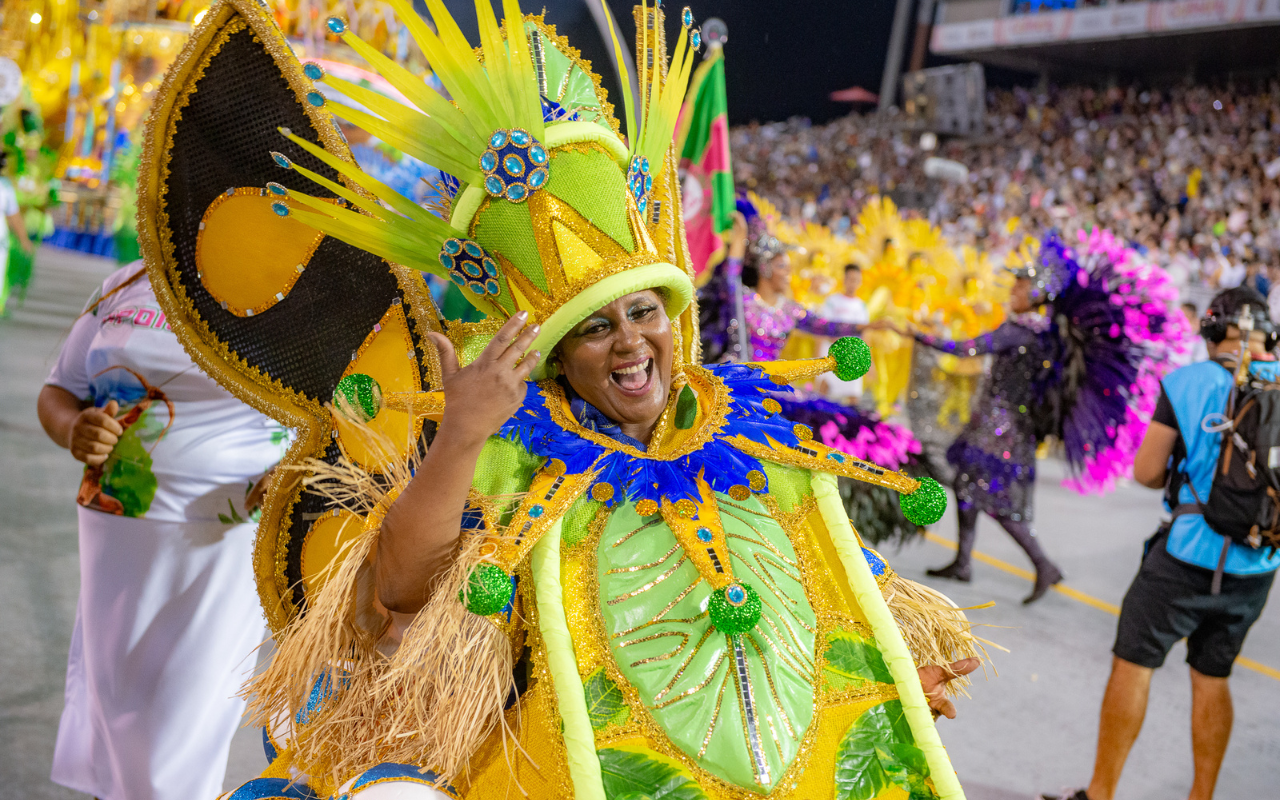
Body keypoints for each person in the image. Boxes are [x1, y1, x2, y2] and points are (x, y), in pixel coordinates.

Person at [180, 3, 987, 798]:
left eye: (643, 312)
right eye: (595, 327)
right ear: (558, 356)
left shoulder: (747, 442)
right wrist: (461, 432)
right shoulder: (508, 451)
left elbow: (822, 582)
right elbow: (395, 596)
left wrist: (895, 664)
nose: (632, 341)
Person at [37, 263, 288, 800]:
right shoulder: (125, 283)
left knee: (184, 718)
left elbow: (353, 405)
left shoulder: (291, 277)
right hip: (114, 527)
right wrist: (72, 428)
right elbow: (60, 388)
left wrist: (301, 469)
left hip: (224, 537)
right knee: (115, 705)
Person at [1044, 287, 1278, 800]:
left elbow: (1147, 471)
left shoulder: (1189, 382)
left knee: (1134, 663)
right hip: (1258, 563)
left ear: (1213, 331)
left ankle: (1101, 793)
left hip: (1187, 555)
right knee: (1213, 676)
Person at [905, 274, 1066, 603]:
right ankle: (963, 563)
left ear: (1035, 296)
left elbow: (967, 349)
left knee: (995, 500)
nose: (1012, 292)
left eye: (1020, 288)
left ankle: (1043, 564)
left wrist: (920, 336)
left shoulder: (1016, 331)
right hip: (1013, 427)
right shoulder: (1044, 335)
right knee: (967, 487)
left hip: (997, 428)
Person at [815, 263, 870, 403]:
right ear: (844, 279)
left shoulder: (862, 306)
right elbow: (823, 329)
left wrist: (869, 361)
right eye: (850, 279)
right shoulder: (832, 301)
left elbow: (864, 334)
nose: (853, 283)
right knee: (823, 391)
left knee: (853, 398)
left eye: (856, 280)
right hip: (832, 353)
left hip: (853, 356)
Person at [0, 152, 34, 316]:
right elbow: (14, 216)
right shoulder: (5, 186)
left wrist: (24, 239)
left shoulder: (5, 186)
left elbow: (13, 216)